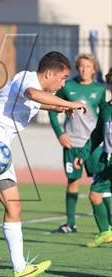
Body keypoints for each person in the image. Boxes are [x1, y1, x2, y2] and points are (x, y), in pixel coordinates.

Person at [0, 51, 88, 277]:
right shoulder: (26, 79)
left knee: (14, 206)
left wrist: (59, 107)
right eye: (63, 77)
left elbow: (35, 102)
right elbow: (33, 94)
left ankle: (20, 268)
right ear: (49, 73)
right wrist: (70, 102)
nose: (63, 83)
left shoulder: (36, 92)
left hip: (1, 145)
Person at [49, 53, 107, 233]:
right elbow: (52, 110)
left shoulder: (99, 89)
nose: (84, 69)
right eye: (81, 66)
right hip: (72, 143)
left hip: (94, 145)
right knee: (73, 181)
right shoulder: (68, 86)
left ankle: (107, 225)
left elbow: (104, 115)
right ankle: (71, 224)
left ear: (93, 69)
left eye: (88, 66)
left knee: (101, 183)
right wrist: (60, 134)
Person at [75, 67, 112, 247]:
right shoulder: (106, 108)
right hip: (107, 159)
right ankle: (105, 232)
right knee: (95, 195)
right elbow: (97, 135)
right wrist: (82, 154)